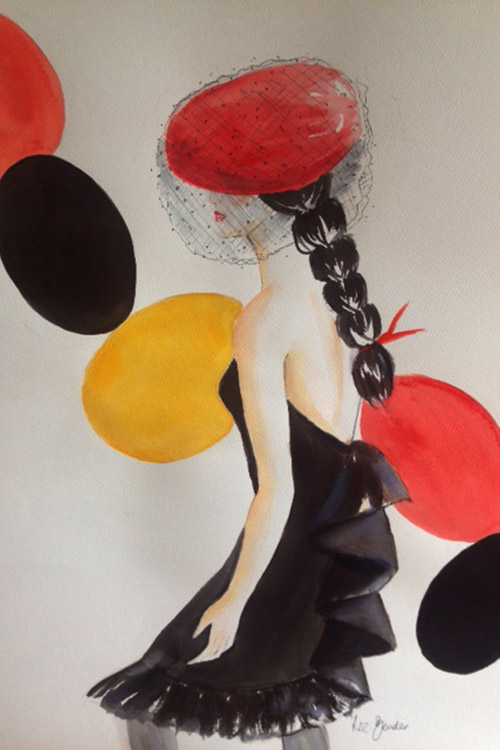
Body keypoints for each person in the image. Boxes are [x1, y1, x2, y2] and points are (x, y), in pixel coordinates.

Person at [88, 60, 409, 750]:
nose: (209, 207)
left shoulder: (264, 319)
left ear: (247, 204)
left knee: (156, 699)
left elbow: (278, 487)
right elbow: (339, 457)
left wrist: (235, 598)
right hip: (320, 555)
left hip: (282, 554)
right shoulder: (340, 299)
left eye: (219, 191)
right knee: (294, 704)